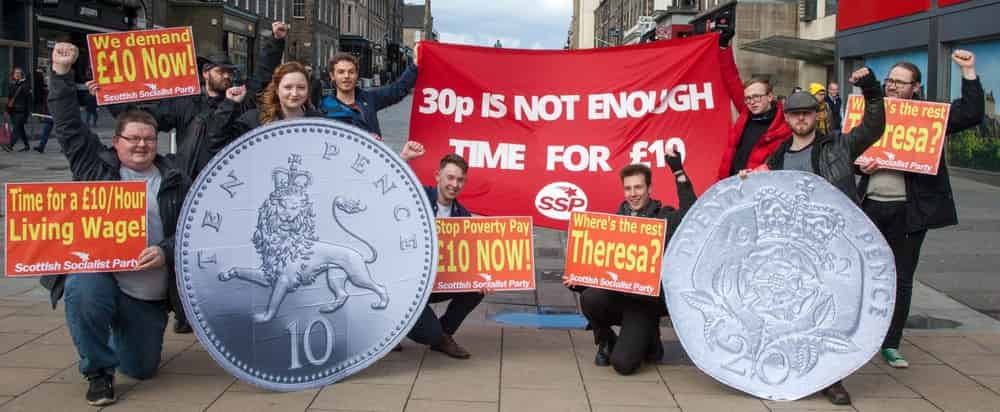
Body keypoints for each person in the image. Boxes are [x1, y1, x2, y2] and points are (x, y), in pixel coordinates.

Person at [88, 22, 287, 334]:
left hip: (226, 187)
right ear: (206, 72)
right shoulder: (185, 102)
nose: (228, 76)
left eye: (230, 71)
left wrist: (275, 42)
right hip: (186, 182)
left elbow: (262, 76)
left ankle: (219, 303)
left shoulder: (239, 99)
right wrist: (111, 96)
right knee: (185, 247)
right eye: (222, 70)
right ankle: (185, 310)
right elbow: (145, 120)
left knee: (222, 246)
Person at [40, 42, 190, 407]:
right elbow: (69, 128)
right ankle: (97, 372)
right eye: (133, 139)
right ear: (116, 142)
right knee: (83, 287)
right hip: (102, 276)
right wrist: (61, 75)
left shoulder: (176, 179)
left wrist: (165, 251)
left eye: (149, 139)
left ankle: (116, 338)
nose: (141, 145)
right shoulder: (96, 169)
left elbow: (194, 233)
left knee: (140, 368)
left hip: (146, 293)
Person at [743, 66, 886, 405]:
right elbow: (763, 189)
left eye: (807, 113)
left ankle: (832, 379)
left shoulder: (838, 145)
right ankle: (795, 369)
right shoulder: (778, 157)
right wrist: (749, 179)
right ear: (788, 118)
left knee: (830, 315)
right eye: (795, 114)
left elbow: (874, 126)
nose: (801, 119)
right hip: (792, 255)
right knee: (792, 314)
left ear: (815, 115)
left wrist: (870, 88)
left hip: (831, 249)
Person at [857, 50, 983, 370]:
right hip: (868, 206)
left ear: (916, 87)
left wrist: (968, 72)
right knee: (862, 274)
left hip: (909, 211)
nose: (893, 87)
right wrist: (859, 168)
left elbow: (970, 113)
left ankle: (891, 343)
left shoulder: (928, 117)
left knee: (901, 277)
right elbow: (843, 154)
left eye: (901, 82)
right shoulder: (869, 113)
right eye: (890, 81)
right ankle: (861, 337)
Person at [567, 149, 696, 375]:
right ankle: (605, 339)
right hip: (617, 296)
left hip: (644, 304)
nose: (633, 193)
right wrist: (578, 279)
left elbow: (691, 213)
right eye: (628, 188)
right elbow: (598, 267)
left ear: (649, 189)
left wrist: (678, 171)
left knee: (624, 365)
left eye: (638, 187)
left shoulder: (663, 218)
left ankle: (650, 340)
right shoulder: (613, 223)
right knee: (589, 298)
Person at [403, 153, 495, 359]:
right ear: (437, 176)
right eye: (450, 177)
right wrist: (404, 158)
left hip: (437, 282)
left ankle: (443, 336)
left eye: (460, 179)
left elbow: (468, 260)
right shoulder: (416, 196)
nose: (455, 184)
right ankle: (394, 326)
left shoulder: (462, 215)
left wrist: (484, 279)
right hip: (408, 285)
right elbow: (388, 187)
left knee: (476, 289)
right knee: (426, 333)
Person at [717, 37, 792, 177]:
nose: (752, 102)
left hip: (756, 190)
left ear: (770, 97)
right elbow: (731, 79)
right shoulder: (746, 113)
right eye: (748, 98)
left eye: (757, 96)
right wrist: (723, 48)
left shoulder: (785, 126)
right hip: (729, 184)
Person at [320, 52, 417, 140]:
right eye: (341, 72)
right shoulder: (324, 108)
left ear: (357, 75)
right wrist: (366, 136)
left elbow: (397, 89)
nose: (346, 76)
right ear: (332, 76)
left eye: (351, 72)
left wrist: (415, 65)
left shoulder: (369, 98)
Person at [5, 66, 31, 152]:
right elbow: (10, 99)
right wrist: (7, 110)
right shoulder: (12, 85)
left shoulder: (25, 85)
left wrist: (29, 111)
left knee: (16, 128)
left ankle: (10, 145)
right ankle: (26, 145)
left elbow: (29, 99)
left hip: (22, 111)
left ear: (21, 75)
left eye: (18, 73)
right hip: (13, 111)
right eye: (15, 73)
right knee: (20, 128)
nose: (17, 75)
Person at [33, 69, 53, 153]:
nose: (47, 82)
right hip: (48, 114)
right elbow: (45, 103)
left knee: (61, 132)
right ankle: (41, 146)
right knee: (46, 130)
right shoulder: (46, 91)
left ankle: (66, 147)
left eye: (48, 81)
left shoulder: (57, 90)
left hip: (57, 113)